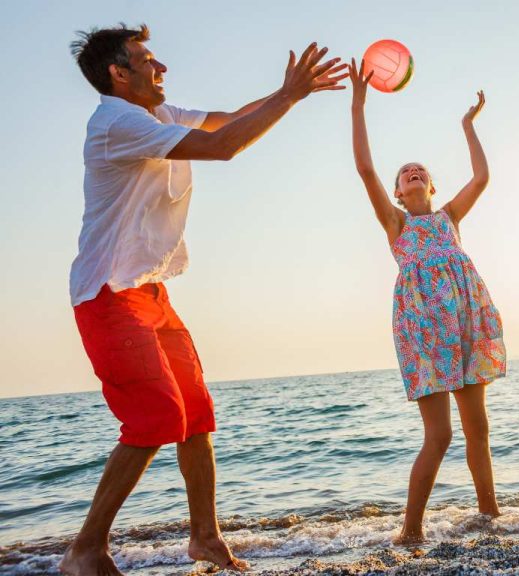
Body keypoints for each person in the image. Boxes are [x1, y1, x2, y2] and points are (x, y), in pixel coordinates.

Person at [62, 24, 347, 575]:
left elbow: (228, 119)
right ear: (119, 74)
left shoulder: (156, 115)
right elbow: (222, 147)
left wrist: (294, 89)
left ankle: (206, 540)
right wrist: (288, 97)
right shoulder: (115, 121)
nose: (161, 67)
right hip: (106, 294)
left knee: (195, 414)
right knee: (156, 416)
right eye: (146, 60)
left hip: (149, 292)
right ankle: (85, 550)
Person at [348, 60, 505, 544]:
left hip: (465, 322)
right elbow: (365, 168)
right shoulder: (396, 224)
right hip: (424, 330)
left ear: (431, 187)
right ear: (398, 192)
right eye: (405, 174)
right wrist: (359, 104)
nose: (412, 173)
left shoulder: (450, 216)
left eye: (421, 171)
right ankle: (410, 529)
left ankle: (490, 517)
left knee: (478, 428)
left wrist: (467, 126)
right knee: (440, 435)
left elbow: (482, 176)